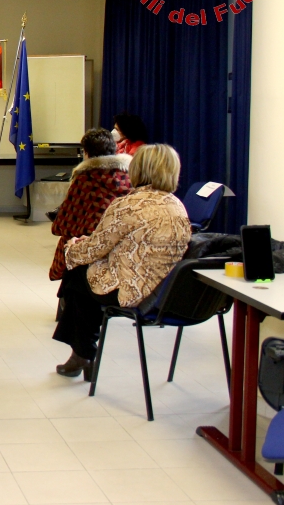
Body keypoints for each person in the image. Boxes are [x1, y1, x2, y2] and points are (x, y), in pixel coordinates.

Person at [52, 144, 191, 379]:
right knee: (82, 282)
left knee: (75, 275)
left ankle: (83, 353)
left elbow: (93, 249)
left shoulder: (127, 205)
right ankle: (81, 353)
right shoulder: (177, 206)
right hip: (167, 291)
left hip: (135, 292)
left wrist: (73, 246)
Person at [49, 128, 132, 284]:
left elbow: (64, 224)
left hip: (89, 245)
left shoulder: (85, 179)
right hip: (122, 243)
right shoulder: (129, 177)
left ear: (86, 152)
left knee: (68, 242)